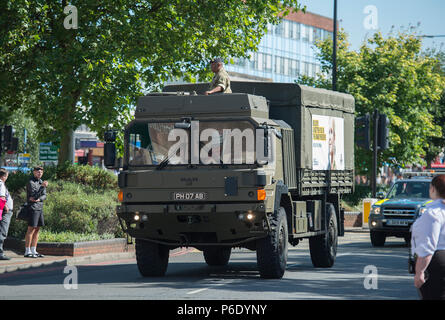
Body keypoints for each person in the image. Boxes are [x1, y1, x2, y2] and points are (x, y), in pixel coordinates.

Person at [411, 174, 445, 299]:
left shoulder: (433, 213)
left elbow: (428, 247)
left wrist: (419, 272)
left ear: (433, 189)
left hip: (437, 265)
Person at [24, 166, 48, 258]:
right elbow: (34, 196)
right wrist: (41, 188)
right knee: (31, 229)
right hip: (32, 208)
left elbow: (44, 196)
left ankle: (34, 250)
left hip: (39, 207)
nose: (39, 174)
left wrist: (39, 199)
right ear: (34, 172)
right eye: (38, 172)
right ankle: (27, 251)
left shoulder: (41, 182)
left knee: (37, 229)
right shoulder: (31, 182)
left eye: (41, 172)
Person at [0, 168, 13, 260]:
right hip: (4, 212)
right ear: (4, 176)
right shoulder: (1, 183)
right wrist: (5, 207)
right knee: (2, 232)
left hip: (3, 211)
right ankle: (0, 253)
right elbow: (2, 197)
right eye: (7, 176)